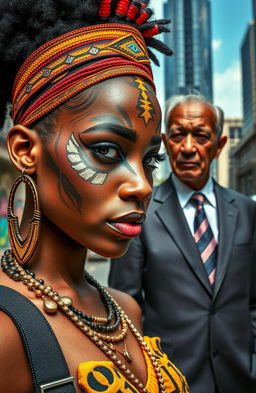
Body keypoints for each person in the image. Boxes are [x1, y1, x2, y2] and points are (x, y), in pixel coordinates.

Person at [0, 1, 190, 393]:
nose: (142, 185)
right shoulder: (6, 333)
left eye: (151, 158)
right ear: (25, 150)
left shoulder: (126, 310)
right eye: (106, 150)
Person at [109, 93, 256, 393]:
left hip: (242, 377)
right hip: (172, 381)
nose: (188, 147)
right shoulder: (139, 214)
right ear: (165, 141)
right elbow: (125, 308)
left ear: (219, 146)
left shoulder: (247, 211)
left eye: (200, 136)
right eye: (178, 135)